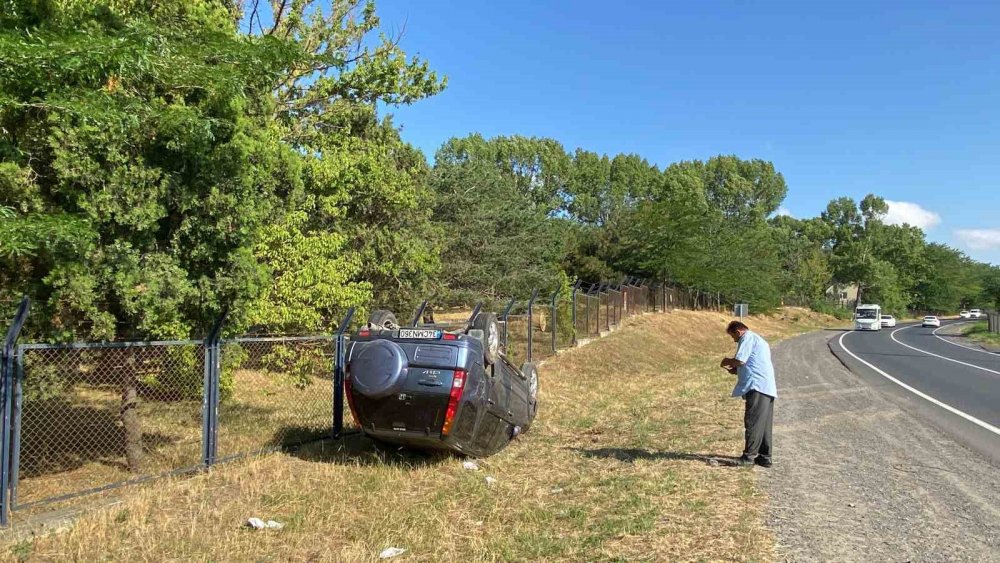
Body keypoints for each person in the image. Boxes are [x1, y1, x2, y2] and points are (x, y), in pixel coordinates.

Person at [720, 320, 776, 468]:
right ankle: (765, 456)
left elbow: (740, 360)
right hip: (767, 386)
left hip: (756, 386)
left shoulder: (747, 338)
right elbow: (751, 362)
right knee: (763, 424)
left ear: (738, 332)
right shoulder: (758, 339)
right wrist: (736, 370)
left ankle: (748, 457)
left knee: (752, 421)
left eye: (734, 337)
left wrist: (727, 361)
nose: (734, 340)